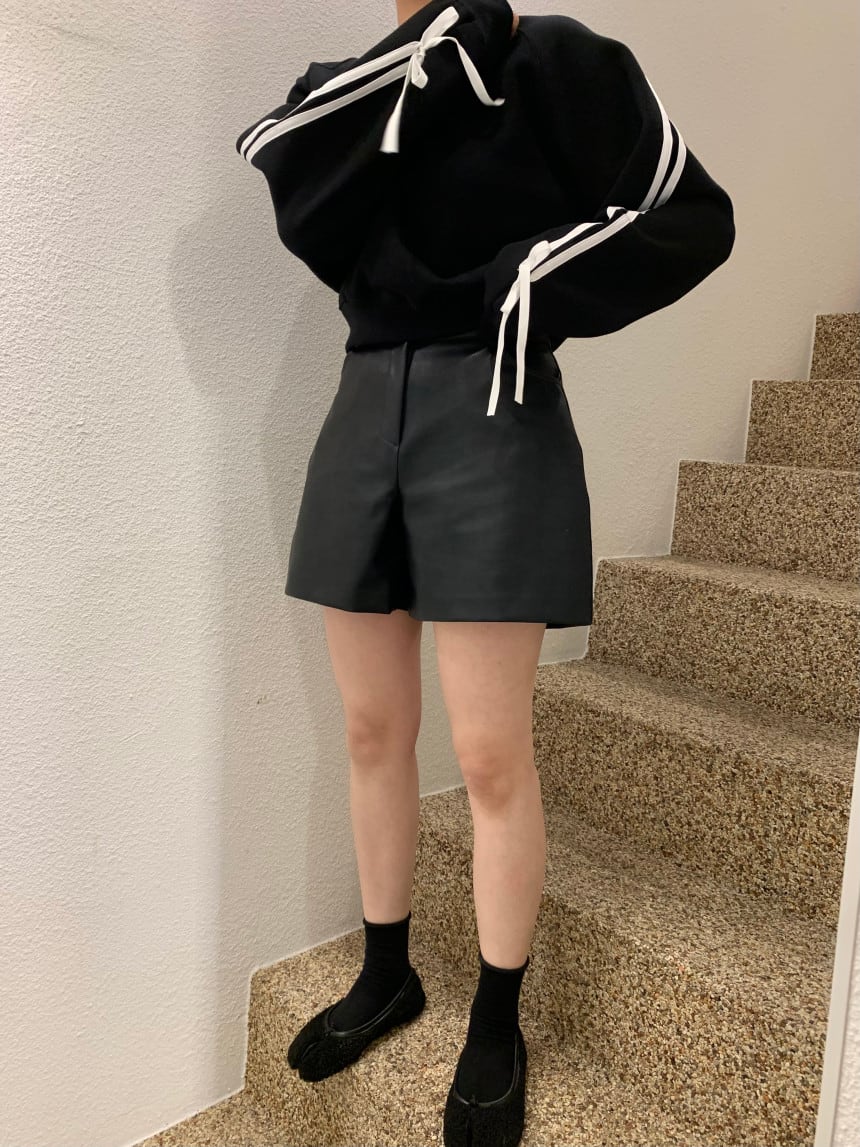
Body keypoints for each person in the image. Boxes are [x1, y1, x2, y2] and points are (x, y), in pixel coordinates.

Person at [235, 2, 735, 1144]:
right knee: (370, 728)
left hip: (495, 404)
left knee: (489, 750)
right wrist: (418, 60)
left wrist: (530, 280)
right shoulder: (349, 87)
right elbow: (296, 188)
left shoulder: (550, 60)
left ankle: (498, 1018)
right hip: (365, 398)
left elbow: (689, 213)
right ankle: (387, 973)